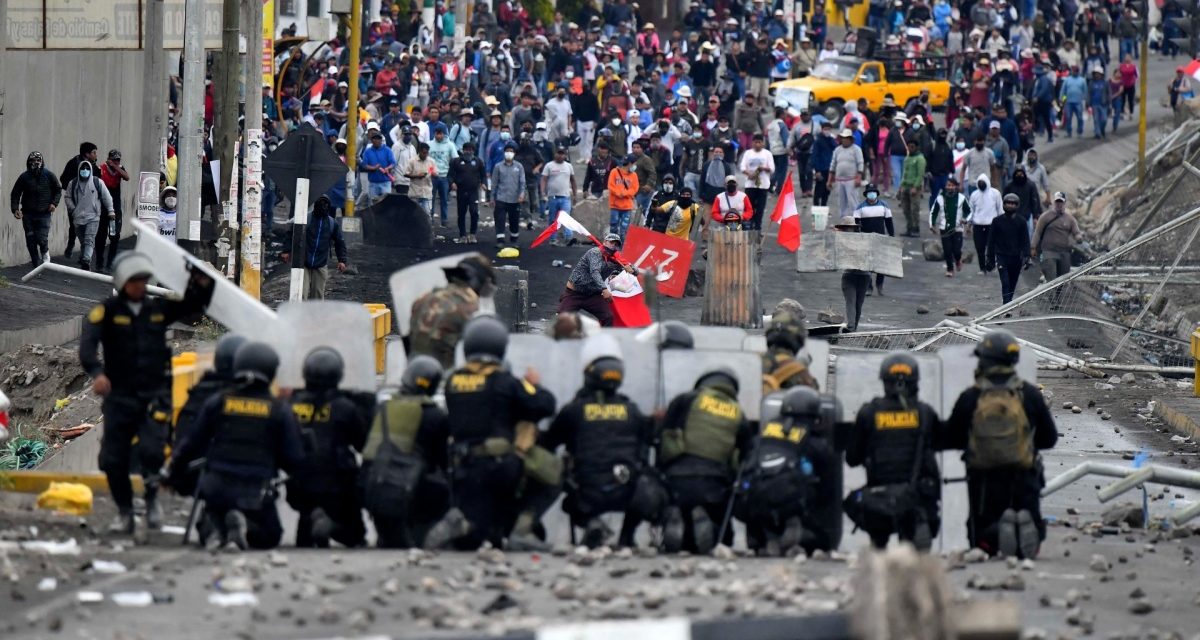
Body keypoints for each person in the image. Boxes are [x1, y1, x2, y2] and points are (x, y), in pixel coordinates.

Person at [80, 252, 214, 536]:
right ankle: (125, 511)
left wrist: (199, 283)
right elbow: (87, 347)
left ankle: (152, 500)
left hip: (154, 395)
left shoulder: (156, 310)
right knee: (112, 460)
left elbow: (191, 308)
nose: (141, 285)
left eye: (143, 280)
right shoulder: (105, 312)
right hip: (120, 398)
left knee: (153, 451)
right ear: (123, 282)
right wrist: (97, 373)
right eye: (135, 280)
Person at [427, 317, 559, 550]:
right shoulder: (504, 382)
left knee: (477, 537)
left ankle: (461, 521)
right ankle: (522, 529)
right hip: (499, 467)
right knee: (554, 472)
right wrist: (534, 384)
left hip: (462, 468)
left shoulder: (453, 382)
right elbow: (544, 405)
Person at [168, 342, 305, 551]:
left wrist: (173, 474)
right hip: (255, 492)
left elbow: (190, 443)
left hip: (216, 487)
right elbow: (293, 458)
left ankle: (216, 527)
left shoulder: (218, 402)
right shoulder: (279, 410)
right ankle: (244, 525)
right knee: (269, 536)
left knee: (211, 515)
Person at [942, 331, 1057, 559]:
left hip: (984, 483)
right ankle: (1027, 529)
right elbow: (1049, 438)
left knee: (981, 538)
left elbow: (951, 437)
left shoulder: (971, 397)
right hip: (1024, 480)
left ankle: (991, 538)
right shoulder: (1030, 395)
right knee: (1029, 510)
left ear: (984, 360)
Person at [542, 354, 660, 548]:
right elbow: (651, 437)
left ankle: (591, 523)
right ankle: (626, 537)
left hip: (586, 491)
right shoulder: (632, 411)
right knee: (650, 483)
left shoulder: (574, 410)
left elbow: (549, 442)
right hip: (626, 489)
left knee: (569, 496)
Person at [844, 353, 942, 551]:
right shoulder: (925, 413)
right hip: (917, 498)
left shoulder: (869, 413)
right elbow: (941, 443)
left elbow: (852, 458)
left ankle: (879, 550)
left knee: (857, 505)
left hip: (879, 500)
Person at [658, 367, 755, 554]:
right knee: (723, 540)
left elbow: (661, 436)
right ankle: (704, 518)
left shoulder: (685, 400)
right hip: (715, 484)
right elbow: (746, 455)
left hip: (677, 480)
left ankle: (674, 514)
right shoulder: (738, 413)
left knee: (683, 537)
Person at [362, 356, 451, 548]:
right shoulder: (433, 414)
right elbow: (441, 460)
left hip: (371, 488)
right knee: (443, 487)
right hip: (408, 491)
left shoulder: (381, 408)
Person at [735, 386, 834, 556]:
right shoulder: (814, 442)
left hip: (750, 502)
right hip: (789, 500)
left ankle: (761, 536)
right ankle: (793, 526)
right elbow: (827, 491)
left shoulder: (762, 435)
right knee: (822, 540)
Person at [286, 348, 369, 548]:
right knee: (355, 536)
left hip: (299, 485)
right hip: (337, 485)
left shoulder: (292, 405)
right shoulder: (346, 407)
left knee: (305, 536)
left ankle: (313, 517)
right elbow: (362, 444)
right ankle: (330, 526)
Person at [410, 256, 497, 369]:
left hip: (412, 374)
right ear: (478, 282)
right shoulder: (470, 307)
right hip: (447, 379)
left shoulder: (423, 299)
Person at [556, 233, 635, 327]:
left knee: (608, 317)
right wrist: (604, 289)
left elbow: (634, 270)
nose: (613, 245)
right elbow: (595, 272)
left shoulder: (616, 260)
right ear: (605, 242)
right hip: (575, 293)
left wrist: (631, 268)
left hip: (593, 295)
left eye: (616, 244)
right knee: (562, 319)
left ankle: (601, 340)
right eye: (611, 242)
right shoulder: (594, 253)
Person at [9, 151, 62, 267]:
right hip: (27, 214)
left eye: (38, 160)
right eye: (32, 161)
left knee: (41, 238)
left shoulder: (49, 175)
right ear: (28, 162)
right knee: (30, 241)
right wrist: (15, 209)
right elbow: (15, 193)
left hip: (44, 214)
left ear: (42, 162)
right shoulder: (24, 177)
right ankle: (36, 265)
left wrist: (54, 203)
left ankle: (45, 252)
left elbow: (58, 190)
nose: (35, 163)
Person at [64, 160, 115, 271]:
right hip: (78, 218)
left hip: (93, 217)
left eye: (87, 169)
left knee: (89, 239)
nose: (85, 171)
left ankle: (86, 261)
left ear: (90, 170)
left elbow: (107, 197)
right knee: (83, 241)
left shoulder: (97, 183)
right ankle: (84, 257)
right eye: (83, 169)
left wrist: (111, 211)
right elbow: (67, 197)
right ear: (79, 170)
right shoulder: (72, 184)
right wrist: (73, 209)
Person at [987, 194, 1032, 304]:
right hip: (1002, 256)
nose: (1010, 206)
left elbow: (1025, 240)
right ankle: (1005, 306)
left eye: (1013, 203)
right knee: (1005, 282)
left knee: (1012, 283)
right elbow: (991, 241)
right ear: (1004, 204)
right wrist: (990, 259)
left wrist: (1027, 256)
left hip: (1016, 258)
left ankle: (1008, 303)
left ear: (1017, 205)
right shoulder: (997, 221)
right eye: (1008, 203)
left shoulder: (1021, 222)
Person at [761, 308, 819, 392]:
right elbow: (813, 394)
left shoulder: (755, 361)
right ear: (798, 340)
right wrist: (802, 365)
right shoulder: (798, 371)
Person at [1032, 191, 1082, 284]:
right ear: (1054, 202)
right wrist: (1033, 247)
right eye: (1057, 202)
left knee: (1062, 280)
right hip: (1048, 251)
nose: (1059, 204)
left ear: (1064, 203)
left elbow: (1076, 232)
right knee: (1052, 277)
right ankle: (1051, 297)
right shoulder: (1045, 217)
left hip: (1064, 252)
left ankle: (1057, 297)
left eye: (1061, 202)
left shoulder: (1070, 219)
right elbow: (1037, 232)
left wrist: (1078, 238)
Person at [852, 185, 894, 295]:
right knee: (867, 265)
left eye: (873, 192)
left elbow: (889, 223)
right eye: (869, 192)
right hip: (866, 239)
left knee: (881, 265)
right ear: (866, 194)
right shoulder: (860, 208)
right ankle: (869, 287)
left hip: (881, 239)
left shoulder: (884, 206)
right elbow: (856, 225)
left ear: (876, 193)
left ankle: (880, 286)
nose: (871, 194)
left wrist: (892, 236)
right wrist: (857, 238)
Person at [61, 142, 99, 259]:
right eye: (94, 152)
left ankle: (83, 255)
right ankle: (72, 244)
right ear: (87, 154)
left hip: (88, 203)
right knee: (75, 225)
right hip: (75, 201)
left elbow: (98, 182)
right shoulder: (73, 163)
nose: (96, 155)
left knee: (87, 228)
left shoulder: (93, 166)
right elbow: (63, 180)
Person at [95, 150, 130, 273]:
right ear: (108, 159)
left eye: (118, 160)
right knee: (100, 237)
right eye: (113, 159)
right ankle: (99, 263)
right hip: (102, 207)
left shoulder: (119, 169)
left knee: (114, 237)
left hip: (115, 208)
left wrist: (116, 166)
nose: (116, 161)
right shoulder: (101, 168)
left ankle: (110, 264)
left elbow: (127, 177)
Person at [929, 177, 971, 277]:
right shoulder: (940, 198)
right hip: (944, 228)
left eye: (952, 185)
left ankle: (958, 260)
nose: (950, 187)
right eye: (948, 185)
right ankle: (949, 269)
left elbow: (968, 211)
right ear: (945, 186)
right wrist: (932, 224)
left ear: (956, 187)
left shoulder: (961, 198)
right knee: (947, 250)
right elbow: (933, 212)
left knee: (957, 250)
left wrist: (965, 219)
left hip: (957, 228)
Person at [834, 216, 870, 332]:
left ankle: (853, 327)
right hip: (849, 275)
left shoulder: (863, 240)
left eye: (849, 228)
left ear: (854, 228)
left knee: (858, 304)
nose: (848, 230)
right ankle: (851, 327)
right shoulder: (840, 241)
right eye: (846, 228)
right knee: (851, 302)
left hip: (864, 276)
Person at [448, 141, 487, 244]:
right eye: (466, 149)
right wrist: (452, 183)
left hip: (473, 191)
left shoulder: (478, 161)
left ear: (473, 151)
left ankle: (473, 234)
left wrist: (483, 183)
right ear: (463, 150)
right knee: (461, 213)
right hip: (461, 191)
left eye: (470, 150)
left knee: (474, 212)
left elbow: (483, 175)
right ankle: (462, 235)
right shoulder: (456, 161)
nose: (468, 152)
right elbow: (450, 175)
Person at [490, 142, 527, 247]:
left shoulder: (519, 166)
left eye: (511, 151)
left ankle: (514, 240)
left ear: (514, 153)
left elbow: (522, 182)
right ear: (504, 152)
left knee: (514, 220)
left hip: (515, 199)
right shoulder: (498, 166)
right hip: (501, 198)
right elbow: (494, 183)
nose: (509, 153)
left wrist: (521, 194)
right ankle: (500, 240)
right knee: (500, 219)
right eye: (507, 151)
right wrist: (492, 198)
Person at [541, 145, 578, 245]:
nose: (561, 156)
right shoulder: (549, 165)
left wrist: (575, 195)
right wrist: (543, 192)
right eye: (559, 153)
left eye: (563, 154)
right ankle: (553, 238)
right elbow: (544, 179)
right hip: (552, 197)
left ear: (565, 155)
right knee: (553, 219)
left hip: (565, 197)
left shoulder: (569, 166)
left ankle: (568, 237)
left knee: (566, 218)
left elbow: (573, 180)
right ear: (555, 154)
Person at [966, 174, 1002, 274]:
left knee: (991, 247)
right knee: (979, 247)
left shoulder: (995, 193)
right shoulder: (974, 195)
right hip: (978, 225)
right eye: (979, 183)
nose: (981, 184)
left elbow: (1000, 209)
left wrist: (1001, 223)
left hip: (991, 225)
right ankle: (982, 268)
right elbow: (971, 211)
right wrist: (969, 224)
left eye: (983, 182)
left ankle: (991, 265)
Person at [739, 134, 775, 231]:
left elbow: (772, 169)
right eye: (756, 142)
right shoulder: (748, 153)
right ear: (752, 143)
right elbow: (742, 167)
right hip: (750, 185)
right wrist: (749, 174)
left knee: (760, 208)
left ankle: (758, 227)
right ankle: (749, 226)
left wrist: (762, 168)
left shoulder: (767, 154)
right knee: (749, 207)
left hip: (763, 185)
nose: (758, 144)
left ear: (763, 143)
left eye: (760, 142)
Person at [427, 124, 459, 226]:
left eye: (440, 133)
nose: (438, 136)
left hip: (444, 176)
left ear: (444, 134)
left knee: (444, 199)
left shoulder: (450, 145)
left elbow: (455, 159)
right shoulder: (429, 144)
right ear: (434, 134)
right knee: (430, 199)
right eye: (437, 133)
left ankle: (444, 220)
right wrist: (431, 171)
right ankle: (429, 218)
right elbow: (426, 160)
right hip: (432, 176)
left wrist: (452, 175)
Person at [829, 129, 864, 219]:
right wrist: (829, 180)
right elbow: (833, 164)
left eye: (847, 138)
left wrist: (859, 178)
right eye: (843, 138)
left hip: (851, 179)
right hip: (839, 179)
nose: (845, 140)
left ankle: (856, 219)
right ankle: (843, 220)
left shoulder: (856, 149)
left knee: (853, 201)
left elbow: (860, 163)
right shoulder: (837, 150)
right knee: (841, 202)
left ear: (851, 139)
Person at [1002, 166, 1042, 238]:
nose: (1019, 175)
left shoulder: (1031, 185)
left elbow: (1035, 201)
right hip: (1012, 217)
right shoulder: (1009, 186)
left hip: (1027, 217)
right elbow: (1004, 201)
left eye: (1021, 174)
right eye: (1017, 174)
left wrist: (1036, 216)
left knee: (1027, 237)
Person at [607, 155, 640, 241]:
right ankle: (612, 247)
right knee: (613, 228)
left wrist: (624, 193)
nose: (635, 166)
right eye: (634, 164)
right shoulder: (614, 172)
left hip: (627, 207)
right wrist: (618, 193)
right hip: (615, 206)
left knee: (624, 229)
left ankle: (622, 249)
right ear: (629, 164)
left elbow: (635, 189)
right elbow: (610, 186)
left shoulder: (634, 175)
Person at [898, 140, 926, 237]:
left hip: (914, 187)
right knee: (906, 209)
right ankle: (909, 228)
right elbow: (904, 174)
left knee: (914, 209)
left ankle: (915, 228)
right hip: (905, 186)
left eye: (912, 147)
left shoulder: (920, 159)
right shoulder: (907, 158)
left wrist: (915, 186)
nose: (910, 148)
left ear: (916, 147)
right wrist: (901, 186)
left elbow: (920, 174)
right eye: (909, 146)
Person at [362, 131, 397, 202]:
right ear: (371, 140)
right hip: (373, 183)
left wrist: (388, 168)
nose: (377, 140)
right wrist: (373, 168)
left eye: (378, 138)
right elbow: (364, 165)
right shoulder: (367, 151)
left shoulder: (387, 150)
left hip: (385, 182)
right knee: (373, 205)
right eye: (374, 139)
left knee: (386, 204)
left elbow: (393, 163)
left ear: (381, 140)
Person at [810, 121, 837, 207]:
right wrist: (817, 170)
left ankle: (824, 206)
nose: (827, 131)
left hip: (830, 169)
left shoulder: (832, 140)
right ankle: (816, 206)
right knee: (819, 189)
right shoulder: (818, 141)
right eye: (825, 129)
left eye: (829, 129)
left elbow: (835, 150)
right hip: (821, 169)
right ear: (822, 130)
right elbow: (815, 156)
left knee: (827, 189)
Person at [405, 142, 437, 216]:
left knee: (427, 214)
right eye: (423, 153)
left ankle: (427, 227)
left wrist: (434, 175)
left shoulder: (431, 161)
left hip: (427, 192)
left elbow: (434, 172)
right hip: (415, 192)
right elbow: (406, 174)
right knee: (413, 215)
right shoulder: (412, 161)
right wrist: (417, 176)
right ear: (419, 151)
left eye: (427, 153)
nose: (425, 155)